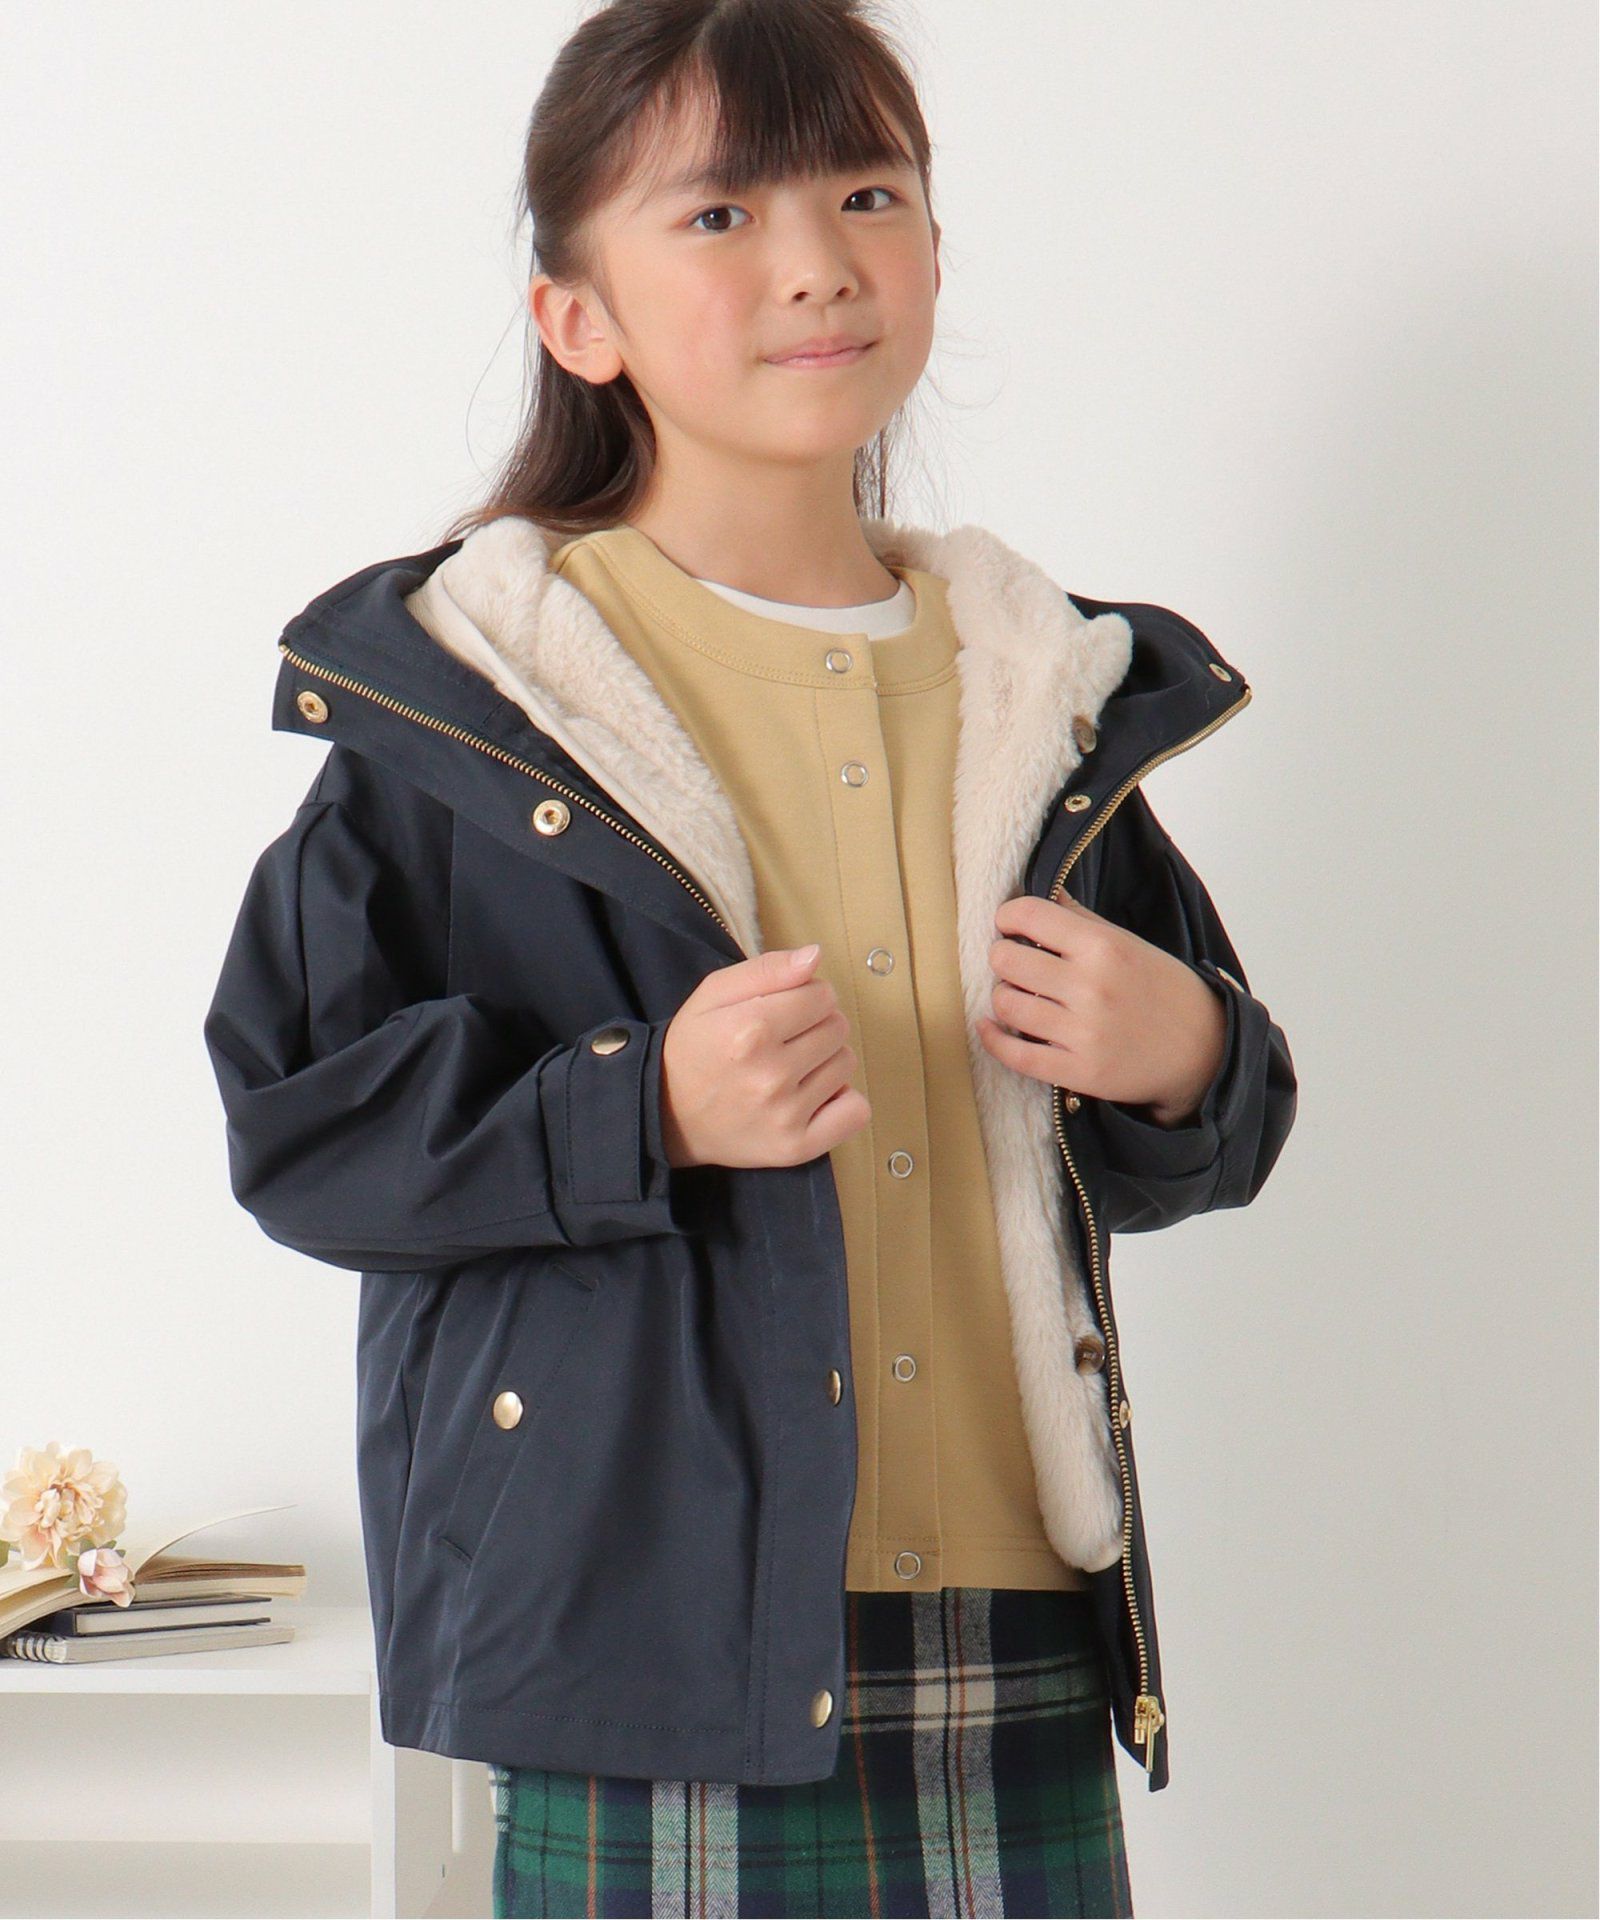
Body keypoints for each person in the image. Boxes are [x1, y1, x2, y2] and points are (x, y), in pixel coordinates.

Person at [203, 2, 1298, 1913]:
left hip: (1019, 1634)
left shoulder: (1040, 686)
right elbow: (303, 1133)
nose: (815, 262)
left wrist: (1187, 1052)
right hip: (653, 1639)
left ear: (935, 247)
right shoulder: (480, 705)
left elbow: (1225, 1122)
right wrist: (642, 1112)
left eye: (867, 194)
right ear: (578, 319)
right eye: (718, 215)